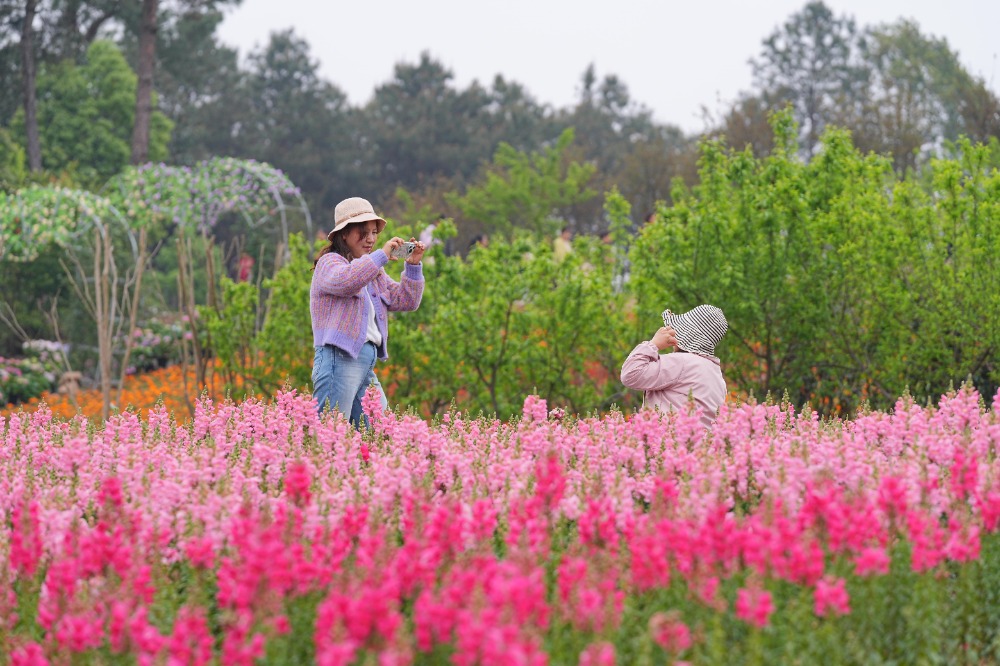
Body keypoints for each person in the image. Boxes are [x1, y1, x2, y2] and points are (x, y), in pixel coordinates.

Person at [311, 196, 426, 427]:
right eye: (364, 232)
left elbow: (406, 300)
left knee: (381, 434)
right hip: (338, 359)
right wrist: (382, 256)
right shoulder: (330, 263)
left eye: (374, 233)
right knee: (330, 436)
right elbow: (348, 280)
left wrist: (413, 266)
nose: (371, 239)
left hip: (365, 365)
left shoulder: (372, 270)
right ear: (344, 234)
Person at [620, 304, 728, 429]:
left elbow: (630, 374)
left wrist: (653, 344)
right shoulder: (717, 375)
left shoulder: (682, 362)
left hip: (668, 443)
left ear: (684, 336)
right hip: (699, 445)